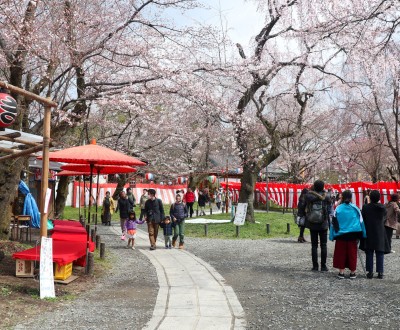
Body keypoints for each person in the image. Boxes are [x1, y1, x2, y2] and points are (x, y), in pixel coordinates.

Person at [330, 190, 366, 279]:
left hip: (341, 234)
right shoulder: (356, 208)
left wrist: (331, 235)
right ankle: (352, 272)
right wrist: (363, 234)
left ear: (342, 197)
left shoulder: (338, 208)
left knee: (340, 253)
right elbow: (361, 222)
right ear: (351, 198)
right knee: (352, 254)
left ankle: (341, 272)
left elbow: (333, 223)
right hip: (353, 234)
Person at [300, 180, 333, 272]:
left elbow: (303, 207)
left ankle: (315, 266)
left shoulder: (309, 196)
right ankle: (323, 266)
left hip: (312, 223)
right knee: (324, 245)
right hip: (323, 223)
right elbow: (330, 209)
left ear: (314, 186)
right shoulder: (327, 196)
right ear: (323, 187)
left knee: (314, 245)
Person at [360, 190, 389, 279]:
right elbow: (385, 217)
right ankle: (380, 272)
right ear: (379, 198)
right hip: (380, 231)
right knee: (380, 252)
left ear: (370, 197)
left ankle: (370, 272)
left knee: (369, 252)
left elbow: (362, 218)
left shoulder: (365, 207)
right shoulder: (382, 207)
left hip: (369, 231)